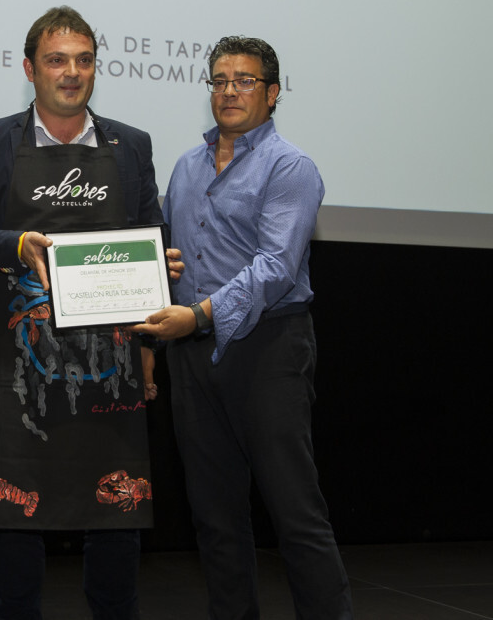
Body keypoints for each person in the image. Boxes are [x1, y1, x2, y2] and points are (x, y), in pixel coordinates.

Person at [0, 6, 180, 619]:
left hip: (112, 361)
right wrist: (15, 244)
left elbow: (151, 234)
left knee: (117, 508)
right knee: (14, 509)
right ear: (30, 69)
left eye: (84, 60)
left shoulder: (131, 145)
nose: (71, 72)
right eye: (56, 60)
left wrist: (155, 301)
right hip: (19, 363)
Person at [134, 36, 354, 619]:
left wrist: (199, 314)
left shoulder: (290, 167)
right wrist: (153, 334)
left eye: (245, 81)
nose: (229, 91)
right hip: (191, 355)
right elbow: (168, 263)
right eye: (220, 81)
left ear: (272, 93)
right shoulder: (186, 166)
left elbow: (276, 267)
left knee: (295, 513)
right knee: (215, 517)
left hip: (267, 349)